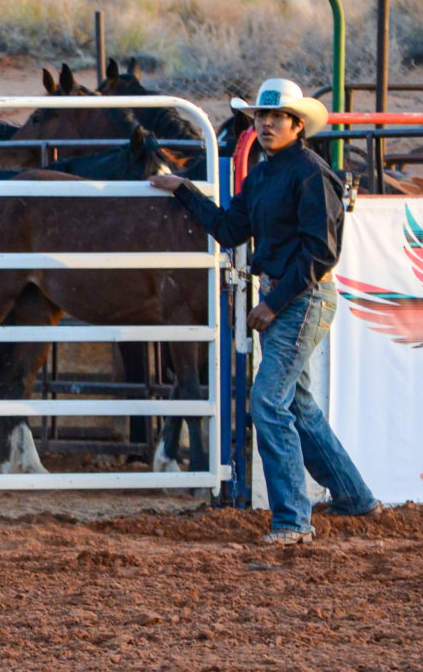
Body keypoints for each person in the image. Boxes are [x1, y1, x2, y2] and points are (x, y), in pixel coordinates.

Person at [150, 77, 380, 544]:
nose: (268, 124)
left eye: (276, 118)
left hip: (300, 298)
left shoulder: (310, 174)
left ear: (297, 125)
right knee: (297, 404)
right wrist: (185, 191)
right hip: (292, 298)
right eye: (262, 117)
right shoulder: (264, 174)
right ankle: (355, 498)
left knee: (268, 403)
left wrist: (272, 303)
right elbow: (231, 230)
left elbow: (320, 254)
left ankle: (294, 520)